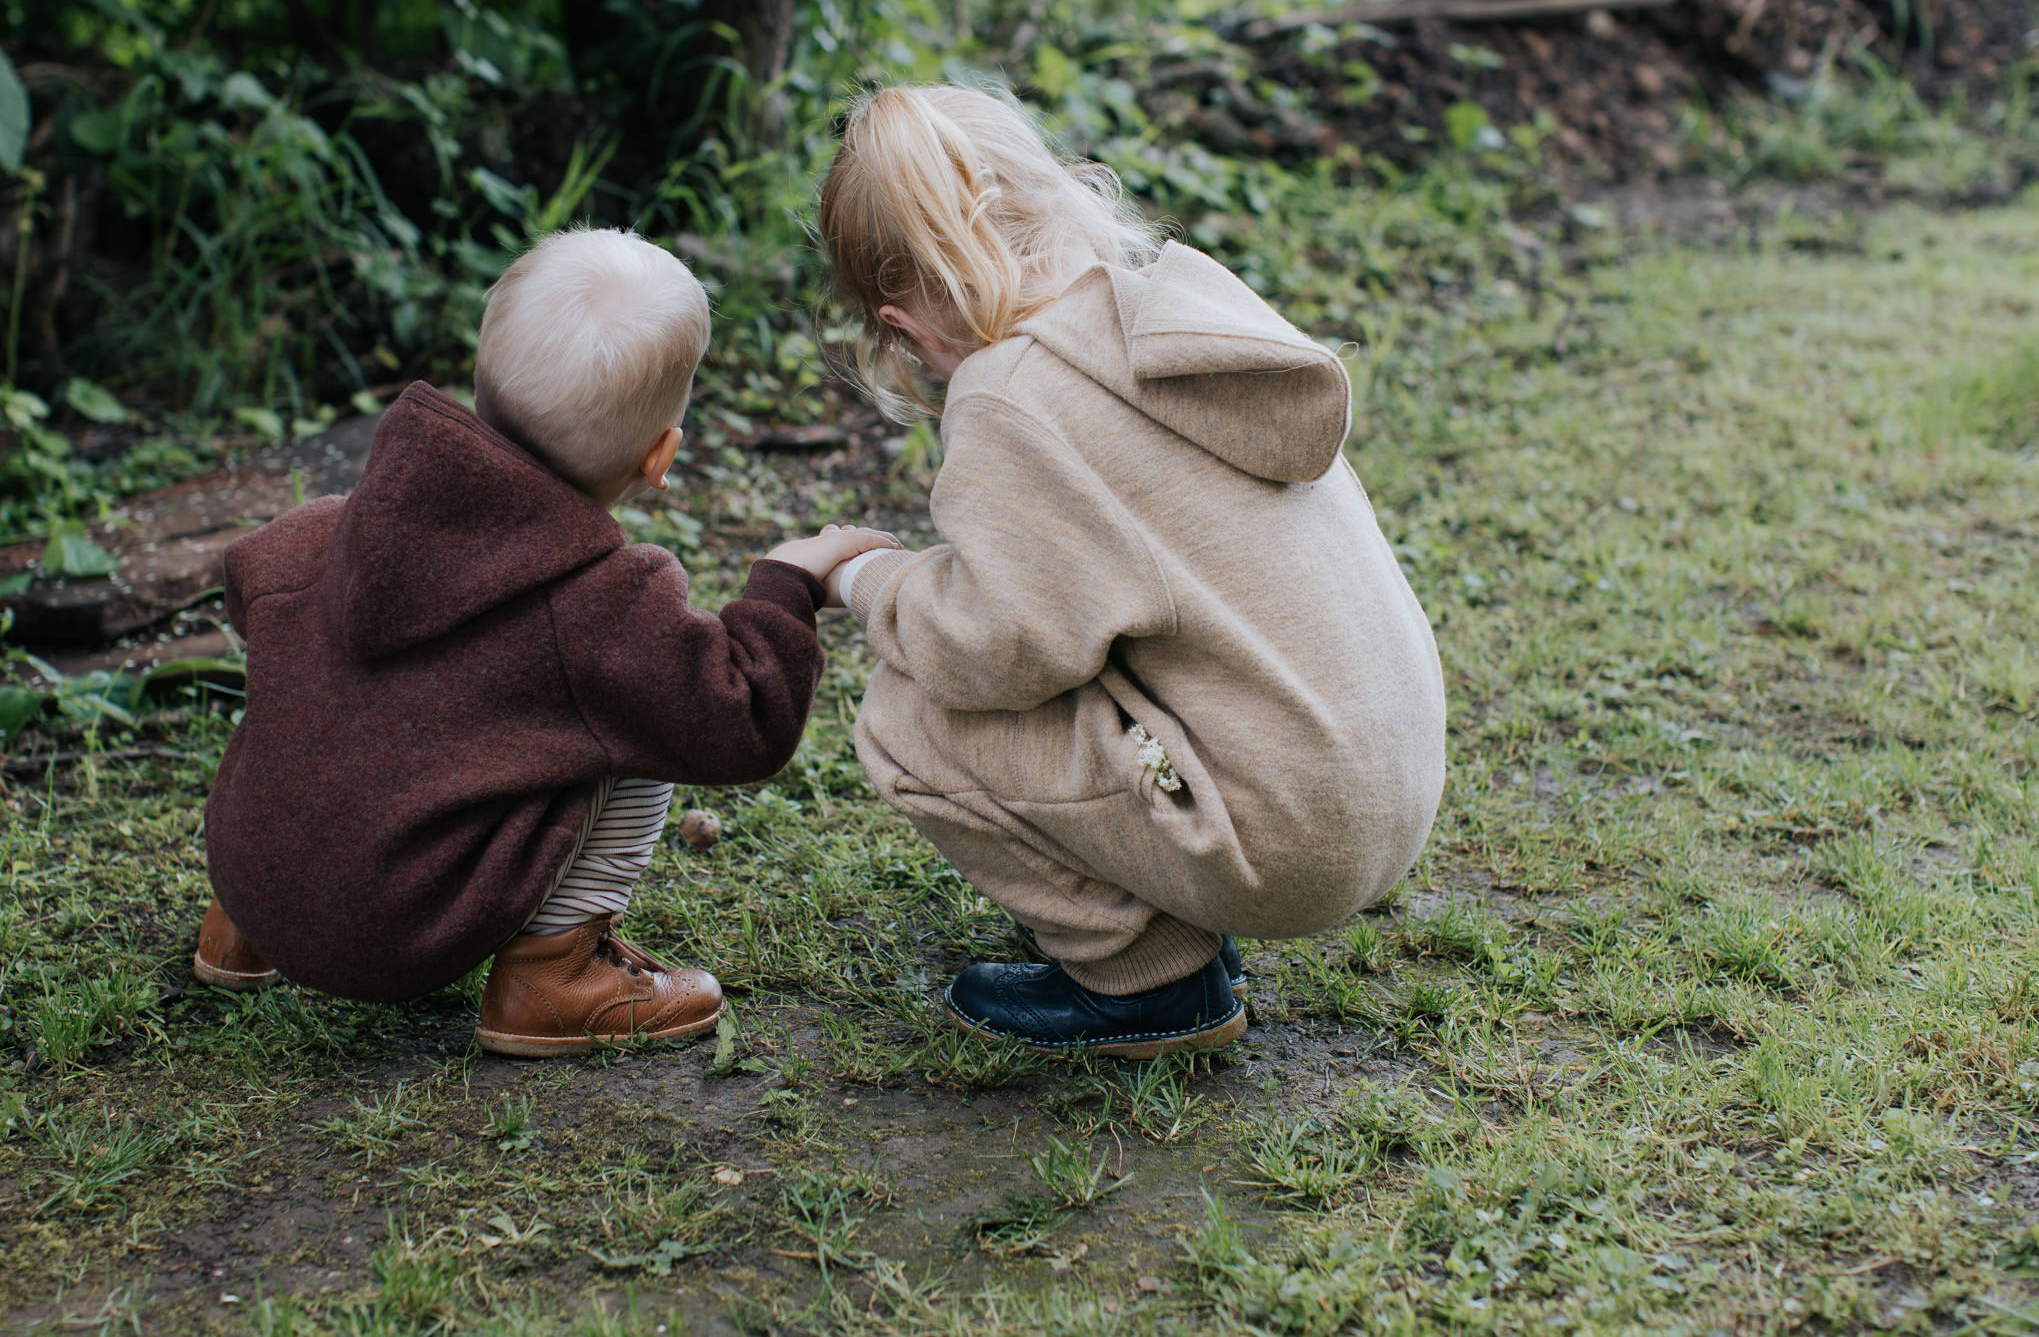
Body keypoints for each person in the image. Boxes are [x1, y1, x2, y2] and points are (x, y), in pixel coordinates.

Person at [814, 85, 1447, 1058]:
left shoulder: (1012, 392)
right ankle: (1186, 897)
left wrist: (869, 578)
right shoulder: (1181, 315)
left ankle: (1144, 982)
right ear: (1060, 193)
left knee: (910, 713)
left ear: (907, 328)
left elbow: (998, 644)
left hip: (1289, 838)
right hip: (1383, 789)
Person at [190, 228, 896, 1056]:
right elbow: (735, 718)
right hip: (399, 931)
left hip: (250, 871)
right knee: (643, 728)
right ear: (660, 455)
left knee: (309, 659)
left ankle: (237, 932)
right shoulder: (606, 606)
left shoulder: (330, 530)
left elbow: (249, 583)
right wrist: (785, 581)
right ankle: (554, 977)